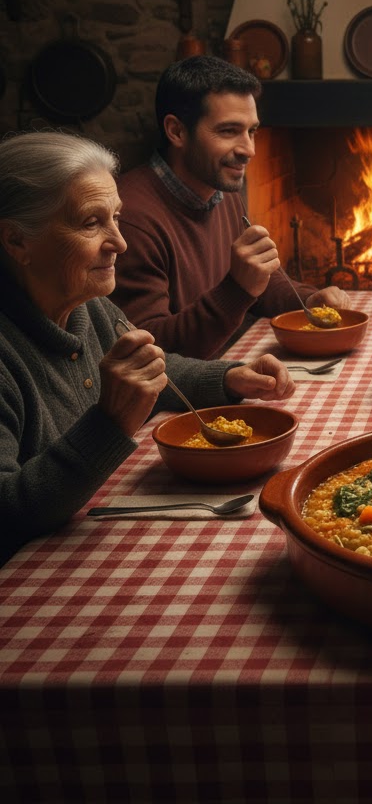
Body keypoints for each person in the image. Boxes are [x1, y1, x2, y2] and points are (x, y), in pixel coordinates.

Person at [0, 131, 296, 564]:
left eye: (116, 217)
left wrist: (229, 376)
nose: (119, 242)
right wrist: (110, 421)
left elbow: (154, 368)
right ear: (17, 241)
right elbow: (8, 514)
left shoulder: (90, 306)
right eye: (90, 222)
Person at [111, 55, 351, 359]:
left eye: (252, 131)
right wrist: (237, 289)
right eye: (228, 131)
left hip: (233, 359)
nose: (249, 150)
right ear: (177, 131)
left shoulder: (220, 190)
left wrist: (308, 298)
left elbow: (259, 280)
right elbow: (151, 352)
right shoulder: (130, 218)